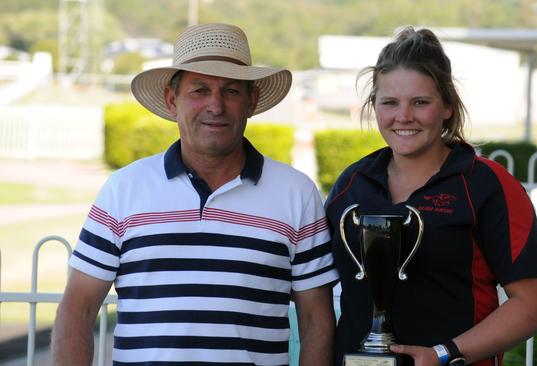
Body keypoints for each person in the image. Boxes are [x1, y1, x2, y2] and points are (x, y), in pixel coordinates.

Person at [52, 23, 338, 366]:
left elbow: (316, 320)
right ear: (173, 101)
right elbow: (77, 308)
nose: (215, 106)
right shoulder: (124, 189)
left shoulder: (296, 193)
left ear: (252, 100)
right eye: (200, 89)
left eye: (231, 91)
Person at [325, 26, 537, 366]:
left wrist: (445, 354)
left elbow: (535, 305)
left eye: (420, 102)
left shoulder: (487, 185)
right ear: (374, 106)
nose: (403, 116)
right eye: (390, 103)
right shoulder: (351, 184)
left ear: (447, 106)